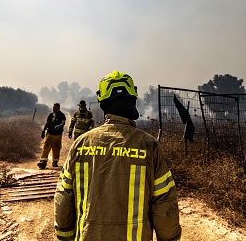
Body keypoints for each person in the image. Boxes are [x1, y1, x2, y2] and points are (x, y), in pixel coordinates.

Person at [54, 71, 182, 241]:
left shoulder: (81, 144)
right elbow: (164, 202)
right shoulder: (148, 146)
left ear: (103, 103)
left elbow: (64, 196)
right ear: (133, 100)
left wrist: (63, 237)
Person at [38, 103, 66, 169]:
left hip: (57, 135)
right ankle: (43, 163)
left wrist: (60, 126)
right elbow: (47, 123)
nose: (54, 109)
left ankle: (55, 162)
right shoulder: (51, 115)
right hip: (49, 134)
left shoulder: (61, 115)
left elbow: (63, 122)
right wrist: (43, 131)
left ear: (59, 108)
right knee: (45, 148)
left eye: (56, 108)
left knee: (56, 149)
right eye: (53, 108)